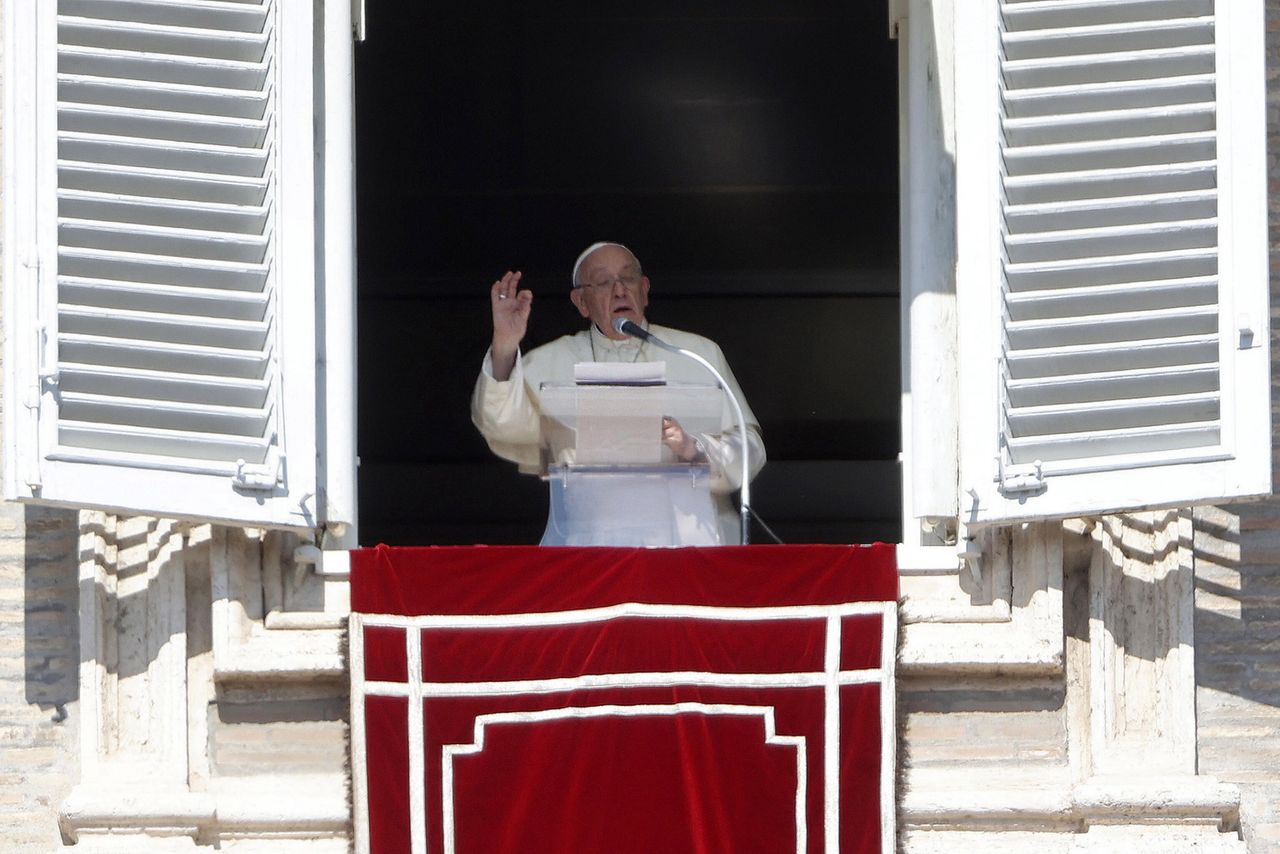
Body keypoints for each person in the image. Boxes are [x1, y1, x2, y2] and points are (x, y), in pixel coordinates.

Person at [471, 241, 766, 544]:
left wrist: (694, 449)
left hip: (689, 545)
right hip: (592, 547)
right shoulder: (551, 361)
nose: (619, 290)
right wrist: (505, 345)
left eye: (628, 278)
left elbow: (749, 448)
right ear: (581, 302)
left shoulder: (697, 352)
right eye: (602, 282)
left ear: (645, 289)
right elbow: (501, 427)